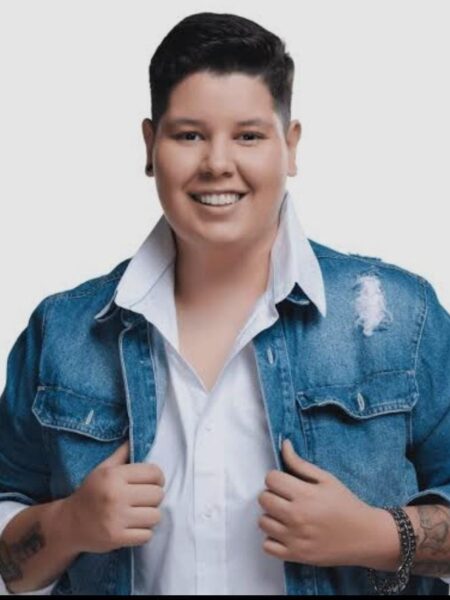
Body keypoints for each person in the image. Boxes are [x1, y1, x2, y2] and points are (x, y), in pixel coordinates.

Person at [0, 11, 449, 596]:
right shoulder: (62, 332)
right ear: (149, 145)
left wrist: (374, 535)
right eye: (189, 135)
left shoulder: (399, 319)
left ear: (290, 146)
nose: (217, 162)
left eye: (248, 136)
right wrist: (69, 524)